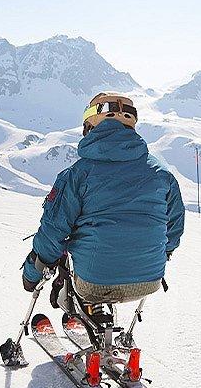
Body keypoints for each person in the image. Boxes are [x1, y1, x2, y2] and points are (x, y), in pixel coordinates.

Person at [21, 92, 185, 323]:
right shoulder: (162, 174)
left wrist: (32, 274)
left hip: (93, 282)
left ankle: (75, 306)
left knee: (67, 252)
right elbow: (174, 227)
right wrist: (159, 253)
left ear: (93, 124)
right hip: (150, 279)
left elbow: (53, 232)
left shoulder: (77, 175)